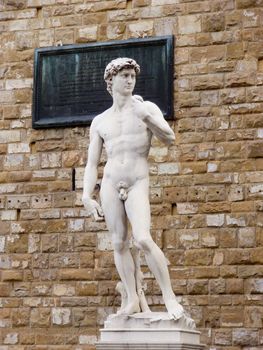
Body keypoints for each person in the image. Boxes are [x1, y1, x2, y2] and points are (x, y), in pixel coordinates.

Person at [82, 57, 184, 320]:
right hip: (110, 182)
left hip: (137, 180)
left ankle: (169, 298)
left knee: (142, 238)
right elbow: (92, 163)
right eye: (124, 75)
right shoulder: (100, 121)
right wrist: (86, 196)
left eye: (132, 76)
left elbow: (169, 137)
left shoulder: (145, 108)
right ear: (111, 80)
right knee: (118, 242)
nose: (129, 80)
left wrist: (147, 116)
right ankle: (132, 298)